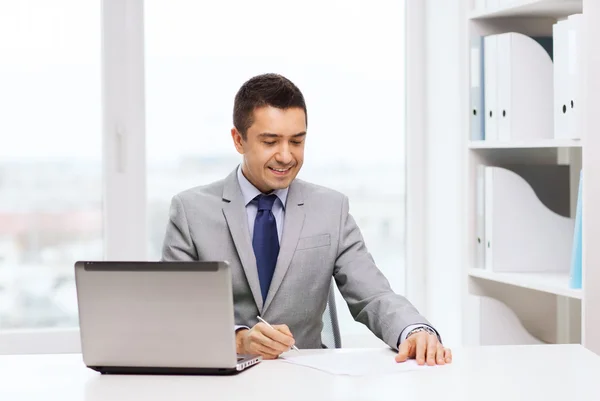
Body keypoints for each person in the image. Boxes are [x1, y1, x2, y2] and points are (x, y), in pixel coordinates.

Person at [162, 73, 452, 365]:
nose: (286, 156)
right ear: (239, 140)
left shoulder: (331, 209)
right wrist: (238, 339)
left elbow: (373, 295)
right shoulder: (191, 212)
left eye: (297, 141)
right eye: (270, 141)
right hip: (222, 379)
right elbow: (173, 314)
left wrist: (414, 330)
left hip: (307, 378)